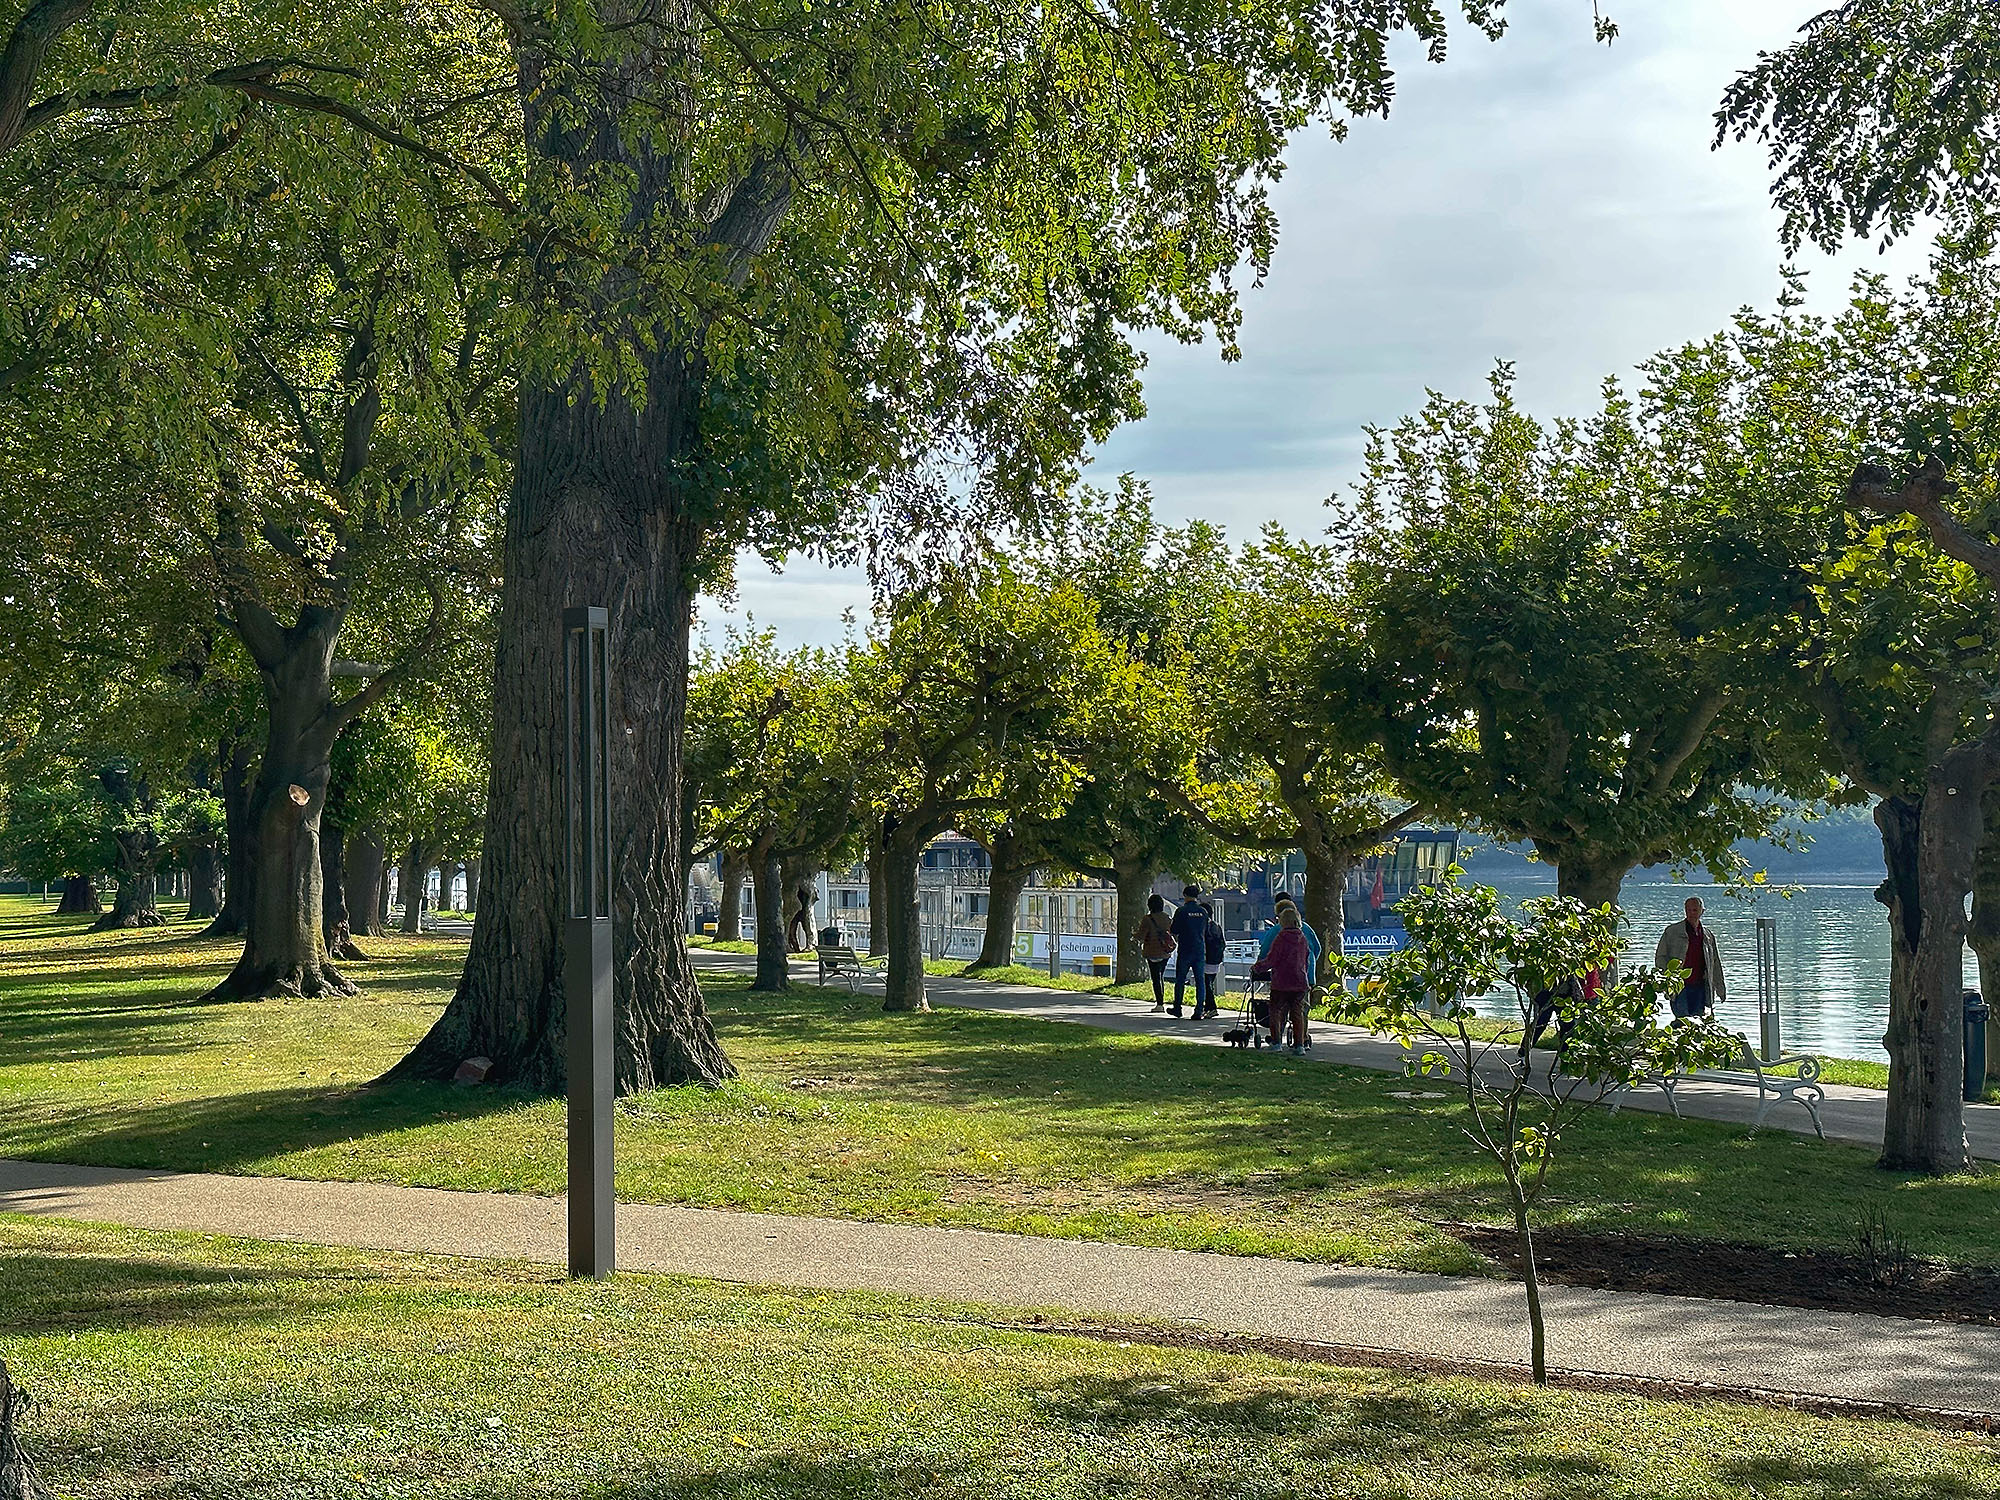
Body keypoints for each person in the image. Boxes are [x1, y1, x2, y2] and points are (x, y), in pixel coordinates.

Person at [1654, 895, 1725, 1021]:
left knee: (1698, 1022)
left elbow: (1715, 963)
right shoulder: (1672, 932)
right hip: (1679, 986)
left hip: (1700, 987)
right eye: (1688, 910)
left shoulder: (1708, 936)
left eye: (1695, 910)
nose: (1691, 913)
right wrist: (1667, 980)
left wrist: (1720, 988)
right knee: (1683, 1020)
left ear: (1702, 911)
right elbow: (1660, 957)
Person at [1265, 906, 1312, 1053]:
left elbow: (1272, 959)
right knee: (1297, 1013)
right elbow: (1306, 959)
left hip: (1281, 981)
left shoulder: (1281, 938)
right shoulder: (1302, 938)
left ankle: (1276, 1042)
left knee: (1276, 1011)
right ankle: (1299, 1045)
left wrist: (1258, 967)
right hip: (1299, 981)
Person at [1167, 884, 1211, 1020]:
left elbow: (1174, 930)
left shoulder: (1181, 911)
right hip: (1199, 949)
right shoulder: (1203, 912)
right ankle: (1199, 1010)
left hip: (1185, 949)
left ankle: (1177, 1008)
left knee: (1180, 979)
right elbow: (1207, 931)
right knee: (1200, 981)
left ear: (1185, 896)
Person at [1134, 893, 1177, 1012]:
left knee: (1155, 977)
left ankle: (1159, 1003)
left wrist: (1134, 935)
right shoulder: (1167, 918)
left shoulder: (1147, 919)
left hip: (1151, 952)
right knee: (1160, 975)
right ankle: (1161, 1001)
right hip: (1165, 952)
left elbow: (1141, 936)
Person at [1200, 905, 1225, 1020]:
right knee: (1208, 984)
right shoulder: (1216, 925)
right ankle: (1207, 1008)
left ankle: (1211, 1007)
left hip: (1206, 959)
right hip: (1216, 960)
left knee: (1206, 985)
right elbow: (1223, 943)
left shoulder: (1203, 926)